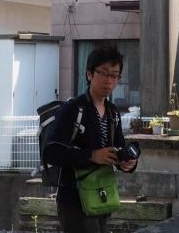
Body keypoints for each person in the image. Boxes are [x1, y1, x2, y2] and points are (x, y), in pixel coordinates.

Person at [44, 45, 138, 233]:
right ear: (89, 74)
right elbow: (51, 152)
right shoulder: (73, 109)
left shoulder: (113, 112)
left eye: (114, 75)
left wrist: (126, 163)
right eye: (103, 73)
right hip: (74, 200)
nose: (109, 80)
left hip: (102, 196)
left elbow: (117, 148)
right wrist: (91, 155)